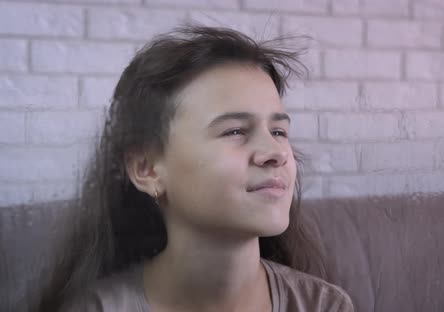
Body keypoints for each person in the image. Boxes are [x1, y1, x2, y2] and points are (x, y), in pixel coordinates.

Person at [37, 24, 354, 312]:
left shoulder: (325, 305)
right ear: (147, 169)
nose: (276, 153)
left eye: (279, 132)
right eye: (234, 131)